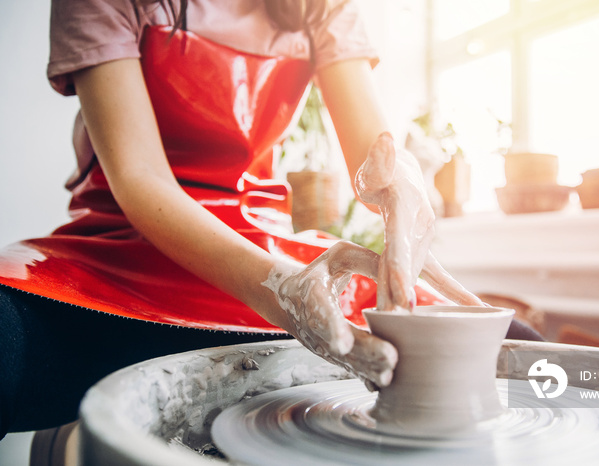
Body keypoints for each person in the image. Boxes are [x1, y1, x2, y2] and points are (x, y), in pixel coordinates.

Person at [0, 0, 541, 439]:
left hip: (260, 237)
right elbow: (142, 178)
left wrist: (404, 190)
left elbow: (375, 156)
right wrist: (277, 290)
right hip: (123, 255)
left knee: (519, 345)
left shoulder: (321, 6)